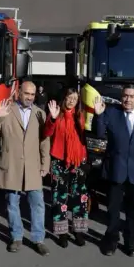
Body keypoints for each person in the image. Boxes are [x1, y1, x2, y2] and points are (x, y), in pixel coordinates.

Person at [0, 81, 51, 256]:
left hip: (33, 166)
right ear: (18, 93)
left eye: (32, 94)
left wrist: (45, 164)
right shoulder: (7, 109)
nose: (29, 97)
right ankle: (16, 237)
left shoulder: (40, 114)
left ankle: (38, 239)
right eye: (26, 93)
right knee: (12, 204)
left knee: (37, 204)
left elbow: (44, 142)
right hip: (11, 165)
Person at [93, 85, 134, 257]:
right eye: (125, 96)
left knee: (133, 210)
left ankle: (130, 243)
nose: (127, 99)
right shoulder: (111, 112)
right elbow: (99, 134)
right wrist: (98, 115)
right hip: (116, 169)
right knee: (113, 210)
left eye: (131, 96)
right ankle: (111, 241)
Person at [43, 87, 92, 248]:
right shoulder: (57, 113)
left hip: (78, 162)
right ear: (64, 98)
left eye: (75, 98)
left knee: (80, 198)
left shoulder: (81, 116)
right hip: (59, 161)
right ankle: (62, 232)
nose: (71, 100)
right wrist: (52, 119)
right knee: (59, 198)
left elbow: (89, 134)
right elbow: (46, 133)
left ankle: (78, 231)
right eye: (69, 97)